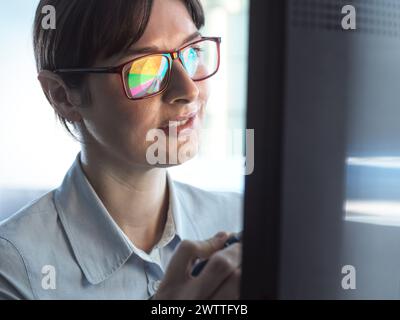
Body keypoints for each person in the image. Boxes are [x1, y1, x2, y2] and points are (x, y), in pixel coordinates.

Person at [0, 0, 242, 299]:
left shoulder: (244, 220)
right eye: (146, 69)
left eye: (192, 53)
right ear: (62, 96)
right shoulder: (13, 269)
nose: (189, 90)